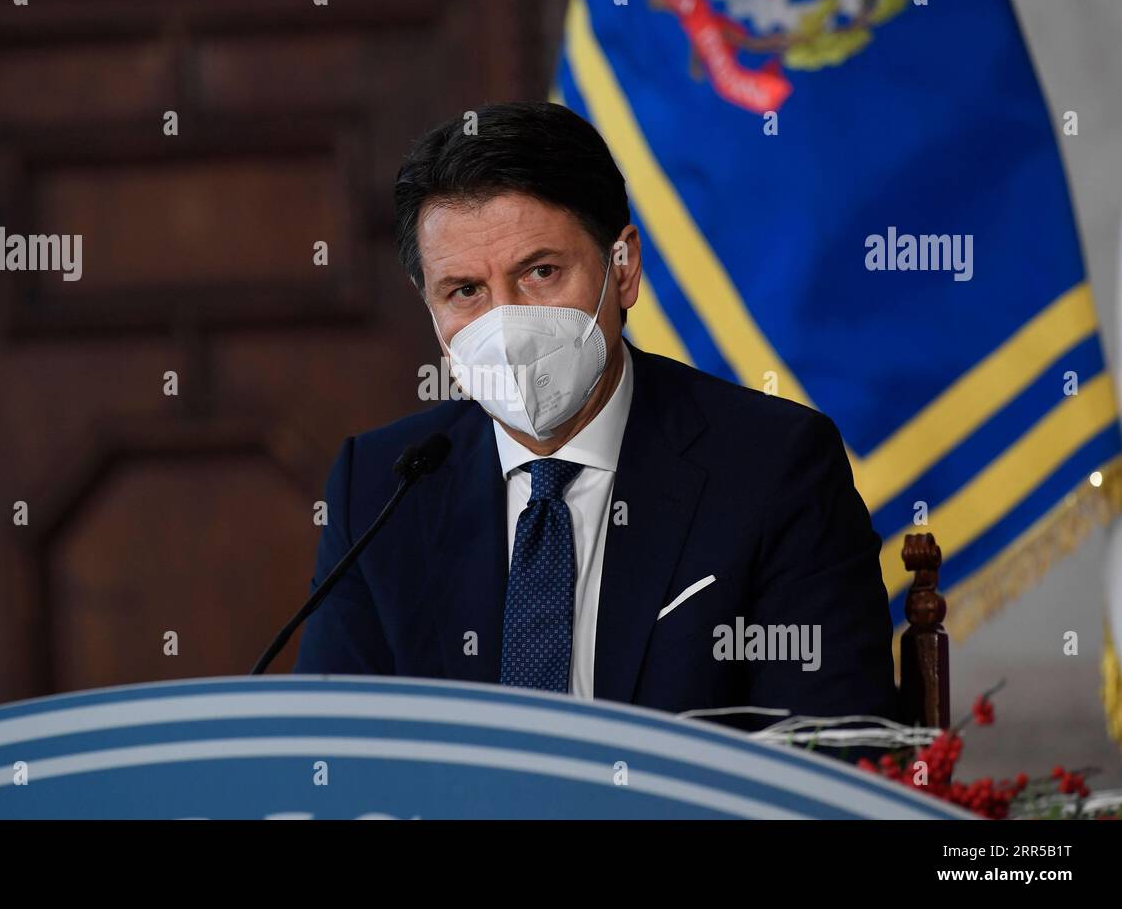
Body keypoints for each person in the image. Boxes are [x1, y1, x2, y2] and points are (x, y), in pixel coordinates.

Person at [293, 101, 898, 727]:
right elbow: (331, 751)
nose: (506, 324)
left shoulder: (774, 468)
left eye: (541, 272)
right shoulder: (381, 486)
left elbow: (832, 752)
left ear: (623, 268)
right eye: (465, 291)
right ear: (431, 310)